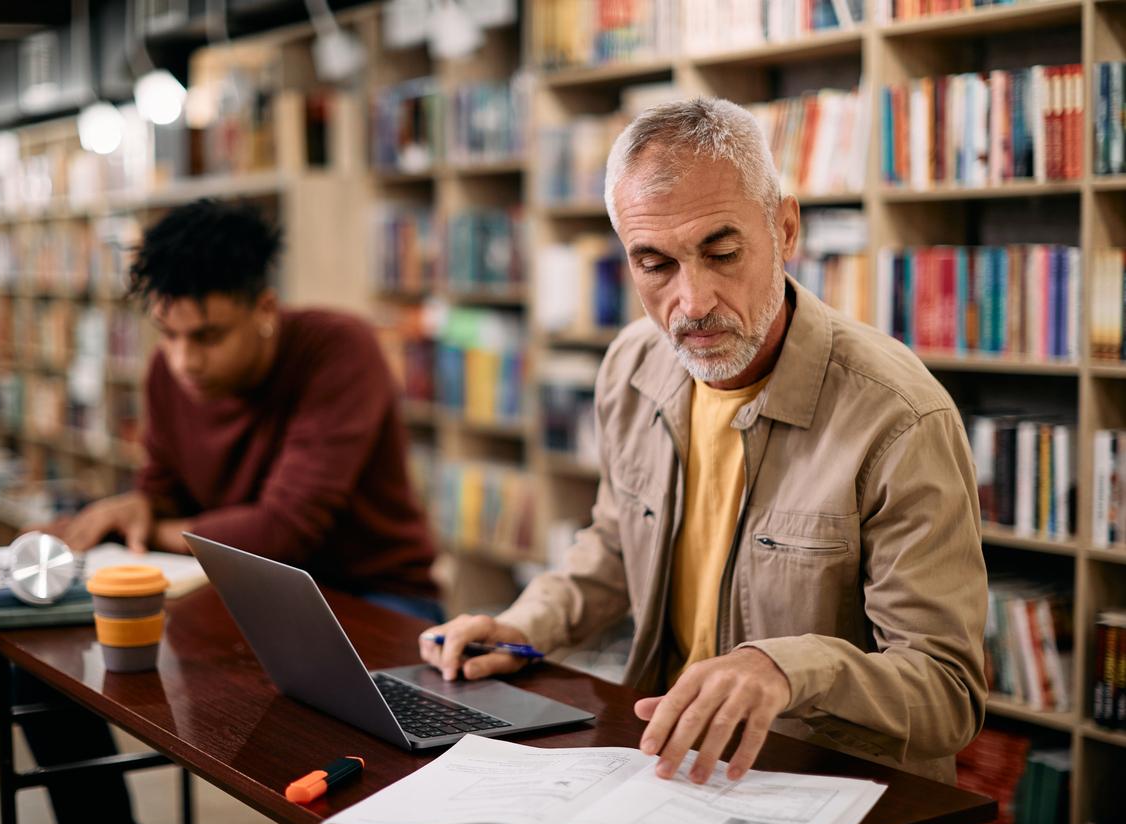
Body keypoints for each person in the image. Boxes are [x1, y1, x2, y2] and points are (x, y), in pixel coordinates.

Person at [421, 98, 987, 787]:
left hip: (825, 787)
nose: (691, 302)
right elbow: (613, 544)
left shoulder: (899, 417)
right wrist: (522, 626)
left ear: (784, 227)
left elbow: (948, 691)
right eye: (655, 265)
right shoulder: (632, 363)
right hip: (664, 765)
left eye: (721, 252)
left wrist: (786, 669)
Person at [23, 199, 439, 824]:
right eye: (169, 334)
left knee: (355, 758)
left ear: (265, 310)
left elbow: (283, 531)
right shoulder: (171, 371)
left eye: (207, 336)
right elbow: (162, 487)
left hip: (374, 599)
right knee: (46, 666)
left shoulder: (338, 349)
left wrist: (158, 527)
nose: (184, 360)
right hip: (236, 597)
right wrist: (138, 505)